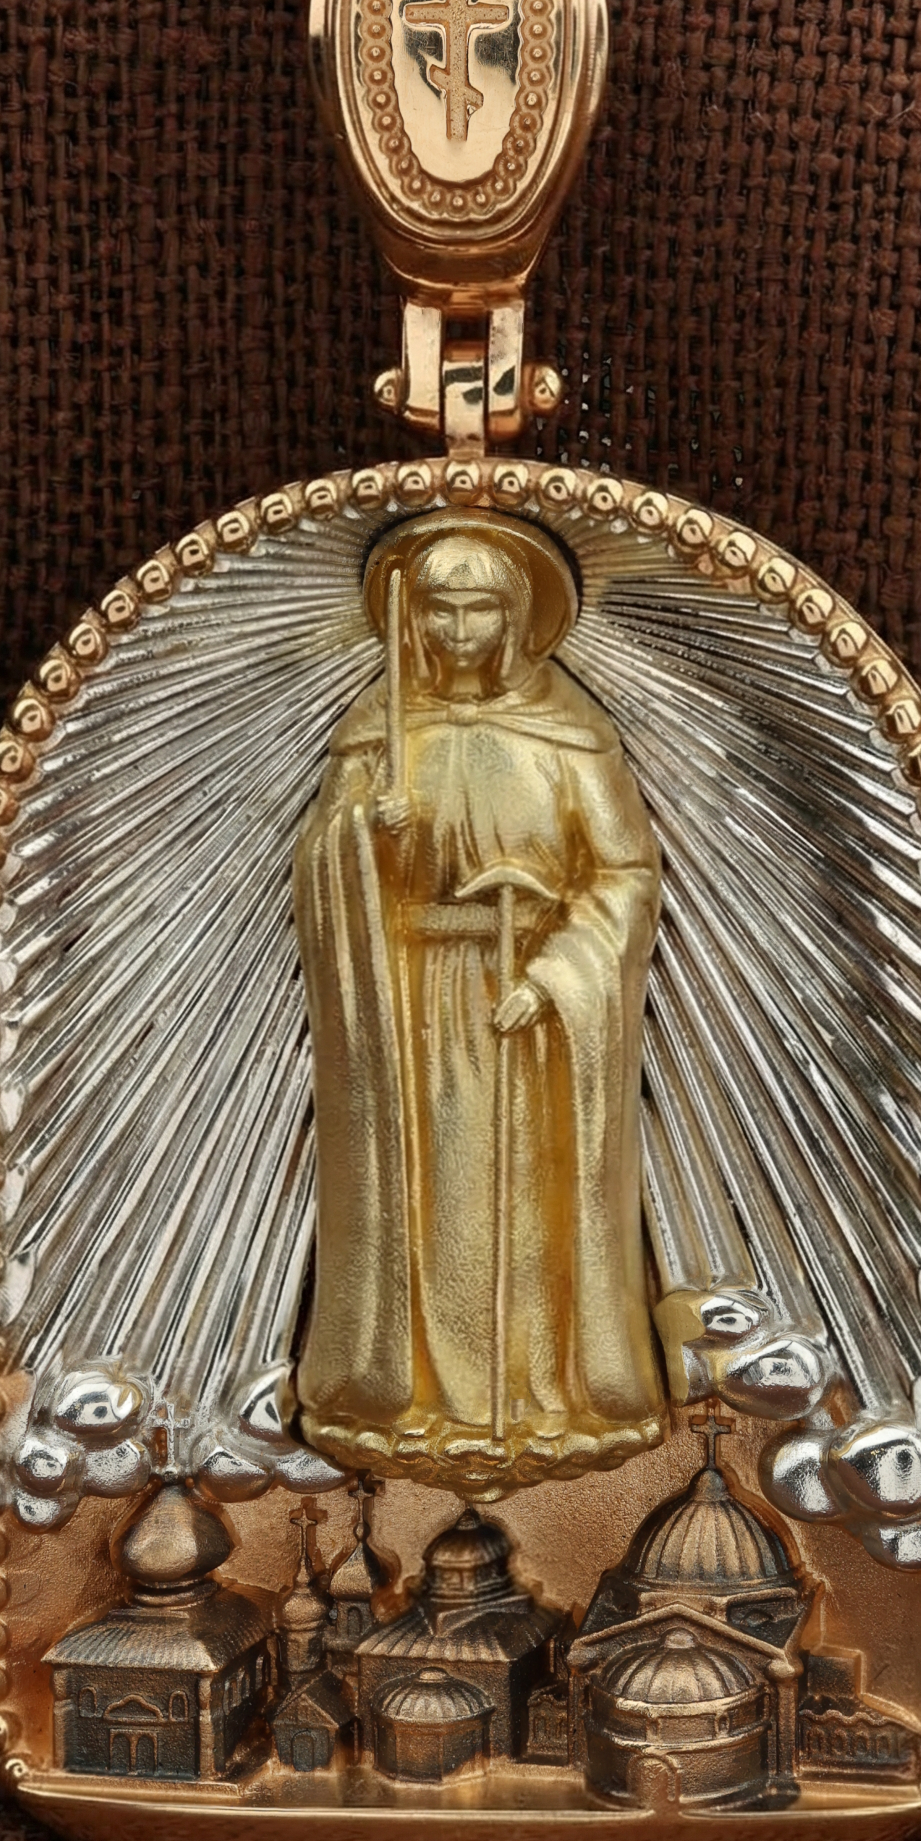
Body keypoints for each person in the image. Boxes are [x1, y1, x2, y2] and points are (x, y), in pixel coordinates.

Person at [293, 507, 666, 1492]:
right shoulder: (377, 732)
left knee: (519, 1196)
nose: (460, 633)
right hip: (408, 1006)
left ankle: (536, 1399)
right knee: (422, 1192)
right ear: (412, 621)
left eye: (481, 612)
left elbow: (623, 874)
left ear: (518, 618)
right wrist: (363, 837)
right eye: (441, 612)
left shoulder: (569, 735)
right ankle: (412, 1395)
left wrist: (553, 978)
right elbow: (324, 871)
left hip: (526, 1011)